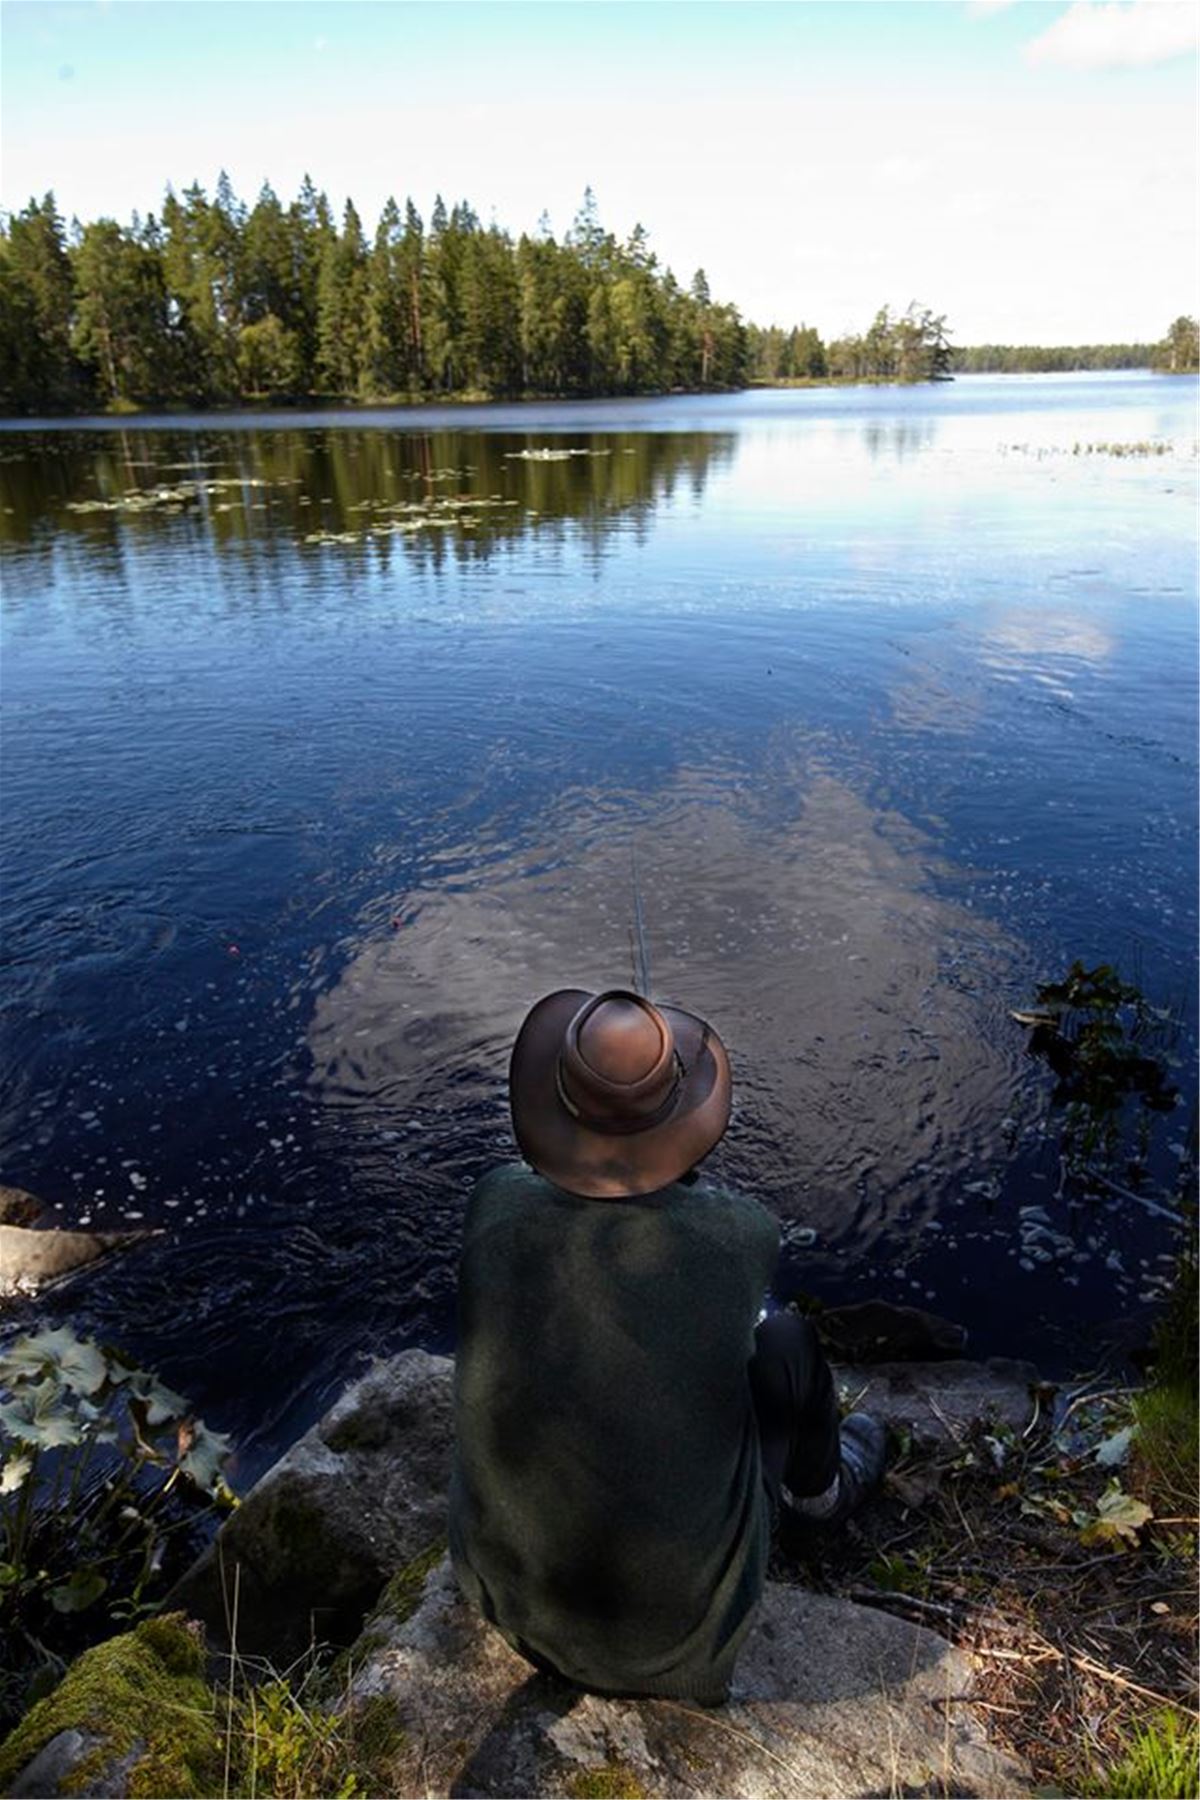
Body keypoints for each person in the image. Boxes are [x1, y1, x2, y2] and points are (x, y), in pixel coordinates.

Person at [448, 986, 886, 1705]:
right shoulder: (738, 1234)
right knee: (784, 1339)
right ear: (681, 1124)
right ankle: (822, 1498)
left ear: (554, 1102)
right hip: (675, 1641)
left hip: (508, 1599)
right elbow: (699, 1268)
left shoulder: (494, 1200)